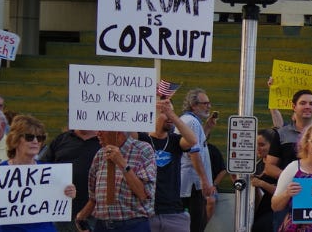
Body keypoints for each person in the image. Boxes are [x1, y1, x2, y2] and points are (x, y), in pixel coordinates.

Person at [0, 115, 78, 232]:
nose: (35, 141)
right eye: (29, 137)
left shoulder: (50, 173)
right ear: (15, 139)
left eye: (40, 138)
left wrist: (69, 193)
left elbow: (58, 204)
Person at [78, 130, 157, 232]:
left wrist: (121, 163)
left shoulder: (142, 150)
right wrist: (81, 216)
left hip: (132, 226)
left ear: (118, 132)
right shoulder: (100, 154)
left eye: (102, 130)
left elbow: (144, 194)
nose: (98, 133)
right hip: (102, 226)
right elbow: (94, 198)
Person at [140, 98, 199, 231]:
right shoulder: (142, 139)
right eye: (164, 111)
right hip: (147, 213)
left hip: (174, 213)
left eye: (171, 111)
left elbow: (192, 140)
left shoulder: (175, 141)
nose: (169, 116)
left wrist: (171, 114)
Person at [41, 129, 103, 232]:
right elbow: (43, 168)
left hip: (95, 214)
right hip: (61, 212)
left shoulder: (104, 141)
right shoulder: (61, 139)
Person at [177, 89, 216, 232]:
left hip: (189, 184)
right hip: (192, 184)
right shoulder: (192, 122)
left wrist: (207, 128)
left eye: (209, 103)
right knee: (196, 225)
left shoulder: (187, 120)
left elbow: (196, 143)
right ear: (193, 105)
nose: (209, 106)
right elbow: (194, 153)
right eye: (205, 103)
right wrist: (204, 181)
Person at [251, 129, 282, 231]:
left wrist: (261, 183)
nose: (258, 148)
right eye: (256, 144)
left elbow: (282, 191)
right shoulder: (256, 166)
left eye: (262, 145)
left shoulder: (279, 167)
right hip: (260, 211)